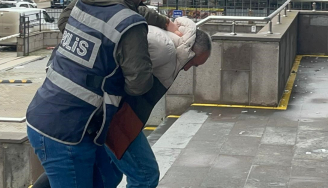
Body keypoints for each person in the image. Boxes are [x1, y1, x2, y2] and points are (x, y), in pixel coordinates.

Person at [26, 0, 180, 188]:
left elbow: (68, 23)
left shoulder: (86, 0)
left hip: (46, 114)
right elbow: (139, 84)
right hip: (68, 133)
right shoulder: (131, 25)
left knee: (109, 176)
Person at [32, 17, 212, 188]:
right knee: (146, 175)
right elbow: (121, 71)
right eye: (194, 64)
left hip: (104, 113)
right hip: (108, 114)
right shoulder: (163, 48)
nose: (188, 68)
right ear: (191, 50)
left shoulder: (164, 42)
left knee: (108, 173)